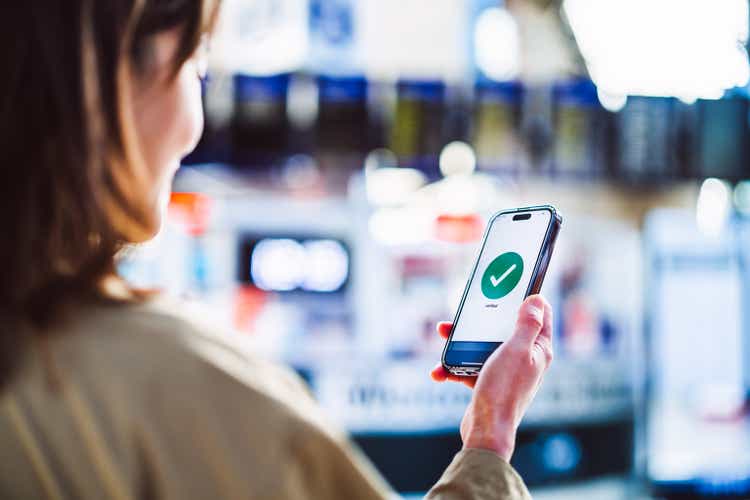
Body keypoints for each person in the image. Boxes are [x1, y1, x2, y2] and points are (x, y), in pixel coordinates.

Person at [0, 1, 554, 498]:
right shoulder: (177, 381)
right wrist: (488, 440)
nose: (194, 129)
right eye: (196, 65)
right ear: (110, 82)